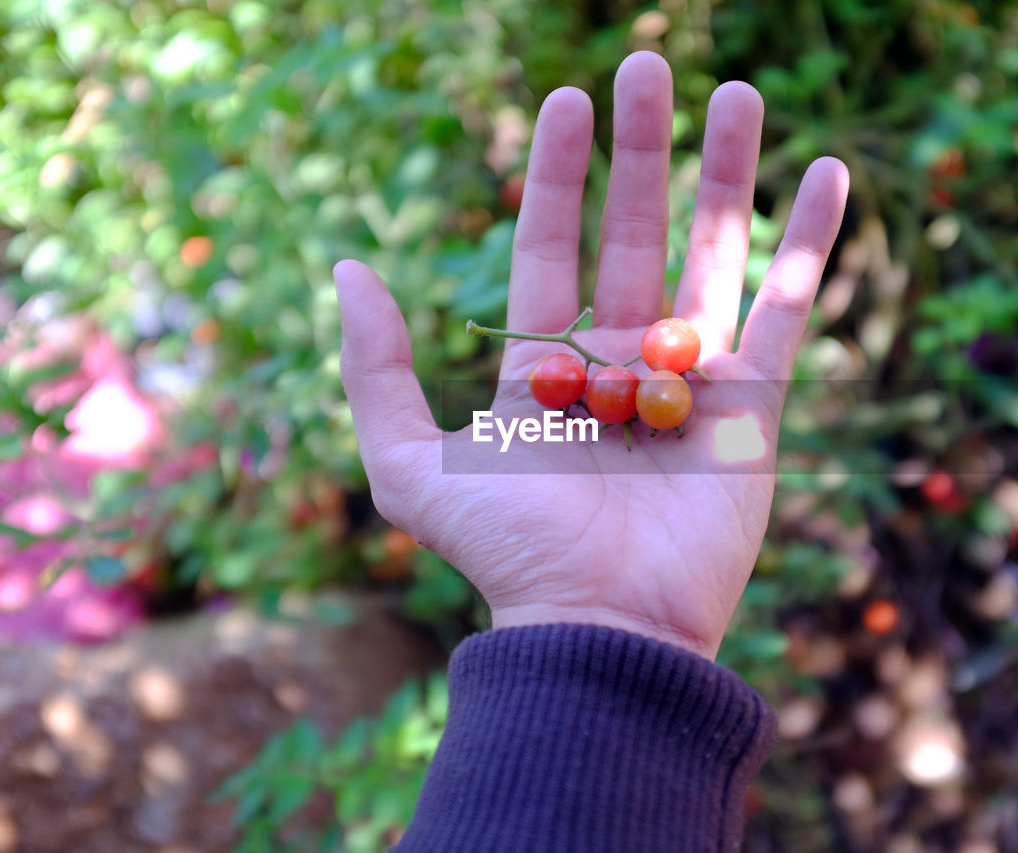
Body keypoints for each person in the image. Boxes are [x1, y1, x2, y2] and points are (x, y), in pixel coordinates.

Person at [333, 51, 848, 852]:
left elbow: (710, 422)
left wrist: (577, 617)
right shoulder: (605, 388)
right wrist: (593, 611)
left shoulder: (639, 384)